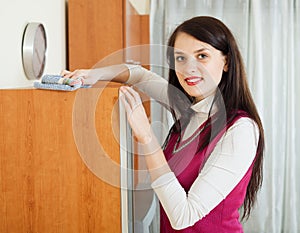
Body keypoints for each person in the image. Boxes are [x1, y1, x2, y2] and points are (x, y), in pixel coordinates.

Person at [62, 16, 264, 233]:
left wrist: (147, 138)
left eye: (202, 56)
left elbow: (183, 216)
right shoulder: (187, 108)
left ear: (226, 62)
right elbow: (139, 76)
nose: (189, 69)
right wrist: (94, 74)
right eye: (180, 58)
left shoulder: (240, 130)